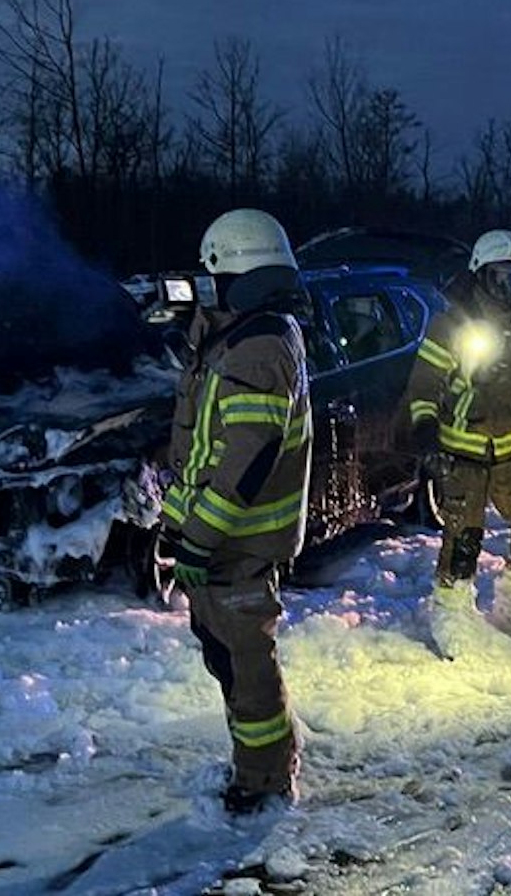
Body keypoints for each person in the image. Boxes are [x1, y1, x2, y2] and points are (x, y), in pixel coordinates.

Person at [159, 208, 313, 814]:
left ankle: (265, 779)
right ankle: (261, 761)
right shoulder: (239, 337)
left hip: (240, 543)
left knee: (247, 666)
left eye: (210, 276)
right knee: (225, 654)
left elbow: (244, 461)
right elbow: (205, 446)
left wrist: (195, 538)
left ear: (237, 277)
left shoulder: (257, 348)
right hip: (223, 540)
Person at [403, 228, 511, 657]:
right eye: (502, 276)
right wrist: (425, 430)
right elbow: (424, 384)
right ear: (482, 275)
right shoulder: (452, 325)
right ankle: (453, 622)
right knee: (463, 542)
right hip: (464, 453)